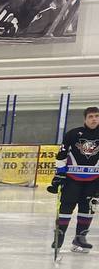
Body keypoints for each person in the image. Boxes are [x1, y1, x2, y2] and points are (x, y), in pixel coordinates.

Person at [49, 106, 99, 253]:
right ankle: (60, 236)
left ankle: (80, 237)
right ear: (85, 119)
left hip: (94, 180)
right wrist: (59, 174)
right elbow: (61, 156)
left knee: (88, 208)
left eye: (97, 116)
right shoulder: (73, 134)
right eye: (91, 116)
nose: (94, 119)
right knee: (66, 207)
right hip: (72, 179)